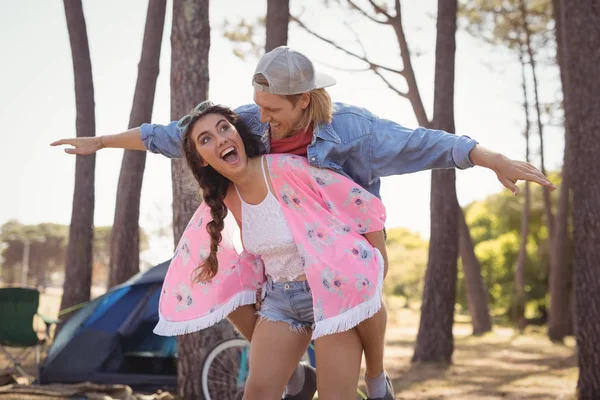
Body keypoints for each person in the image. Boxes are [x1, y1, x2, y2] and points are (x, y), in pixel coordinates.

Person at [51, 46, 555, 400]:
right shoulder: (246, 123)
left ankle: (376, 379)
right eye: (259, 107)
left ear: (305, 101)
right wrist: (100, 143)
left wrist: (493, 159)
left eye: (273, 110)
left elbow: (426, 143)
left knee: (353, 349)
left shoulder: (354, 131)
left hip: (340, 271)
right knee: (260, 372)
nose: (260, 120)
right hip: (285, 288)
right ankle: (304, 371)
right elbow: (172, 135)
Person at [156, 103, 388, 399]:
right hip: (281, 301)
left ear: (237, 133)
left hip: (332, 292)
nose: (221, 139)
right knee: (257, 393)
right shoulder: (228, 197)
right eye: (206, 139)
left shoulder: (284, 168)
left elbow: (358, 201)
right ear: (201, 160)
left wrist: (380, 261)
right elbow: (256, 250)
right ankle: (299, 379)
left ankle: (377, 380)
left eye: (224, 128)